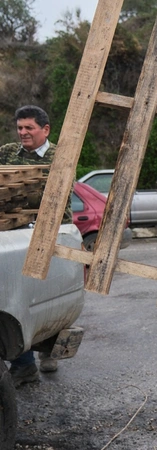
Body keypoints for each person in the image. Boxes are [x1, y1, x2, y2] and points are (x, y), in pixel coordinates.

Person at [0, 105, 71, 387]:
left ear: (45, 129)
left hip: (49, 234)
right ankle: (24, 364)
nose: (23, 133)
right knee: (19, 299)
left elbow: (61, 202)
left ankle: (48, 351)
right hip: (15, 237)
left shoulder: (60, 156)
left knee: (50, 296)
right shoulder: (8, 153)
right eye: (20, 128)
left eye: (29, 127)